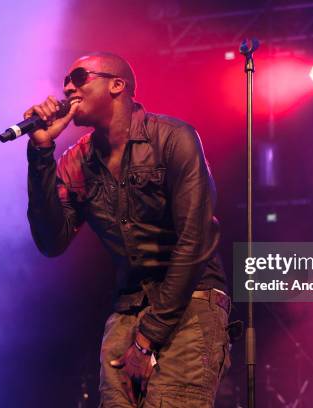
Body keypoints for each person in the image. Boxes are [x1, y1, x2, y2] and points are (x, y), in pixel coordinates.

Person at [25, 52, 230, 407]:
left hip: (191, 299)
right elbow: (51, 241)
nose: (68, 87)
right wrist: (41, 152)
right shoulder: (77, 160)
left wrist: (147, 339)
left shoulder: (173, 138)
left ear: (117, 85)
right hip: (129, 306)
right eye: (65, 82)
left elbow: (194, 242)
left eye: (79, 77)